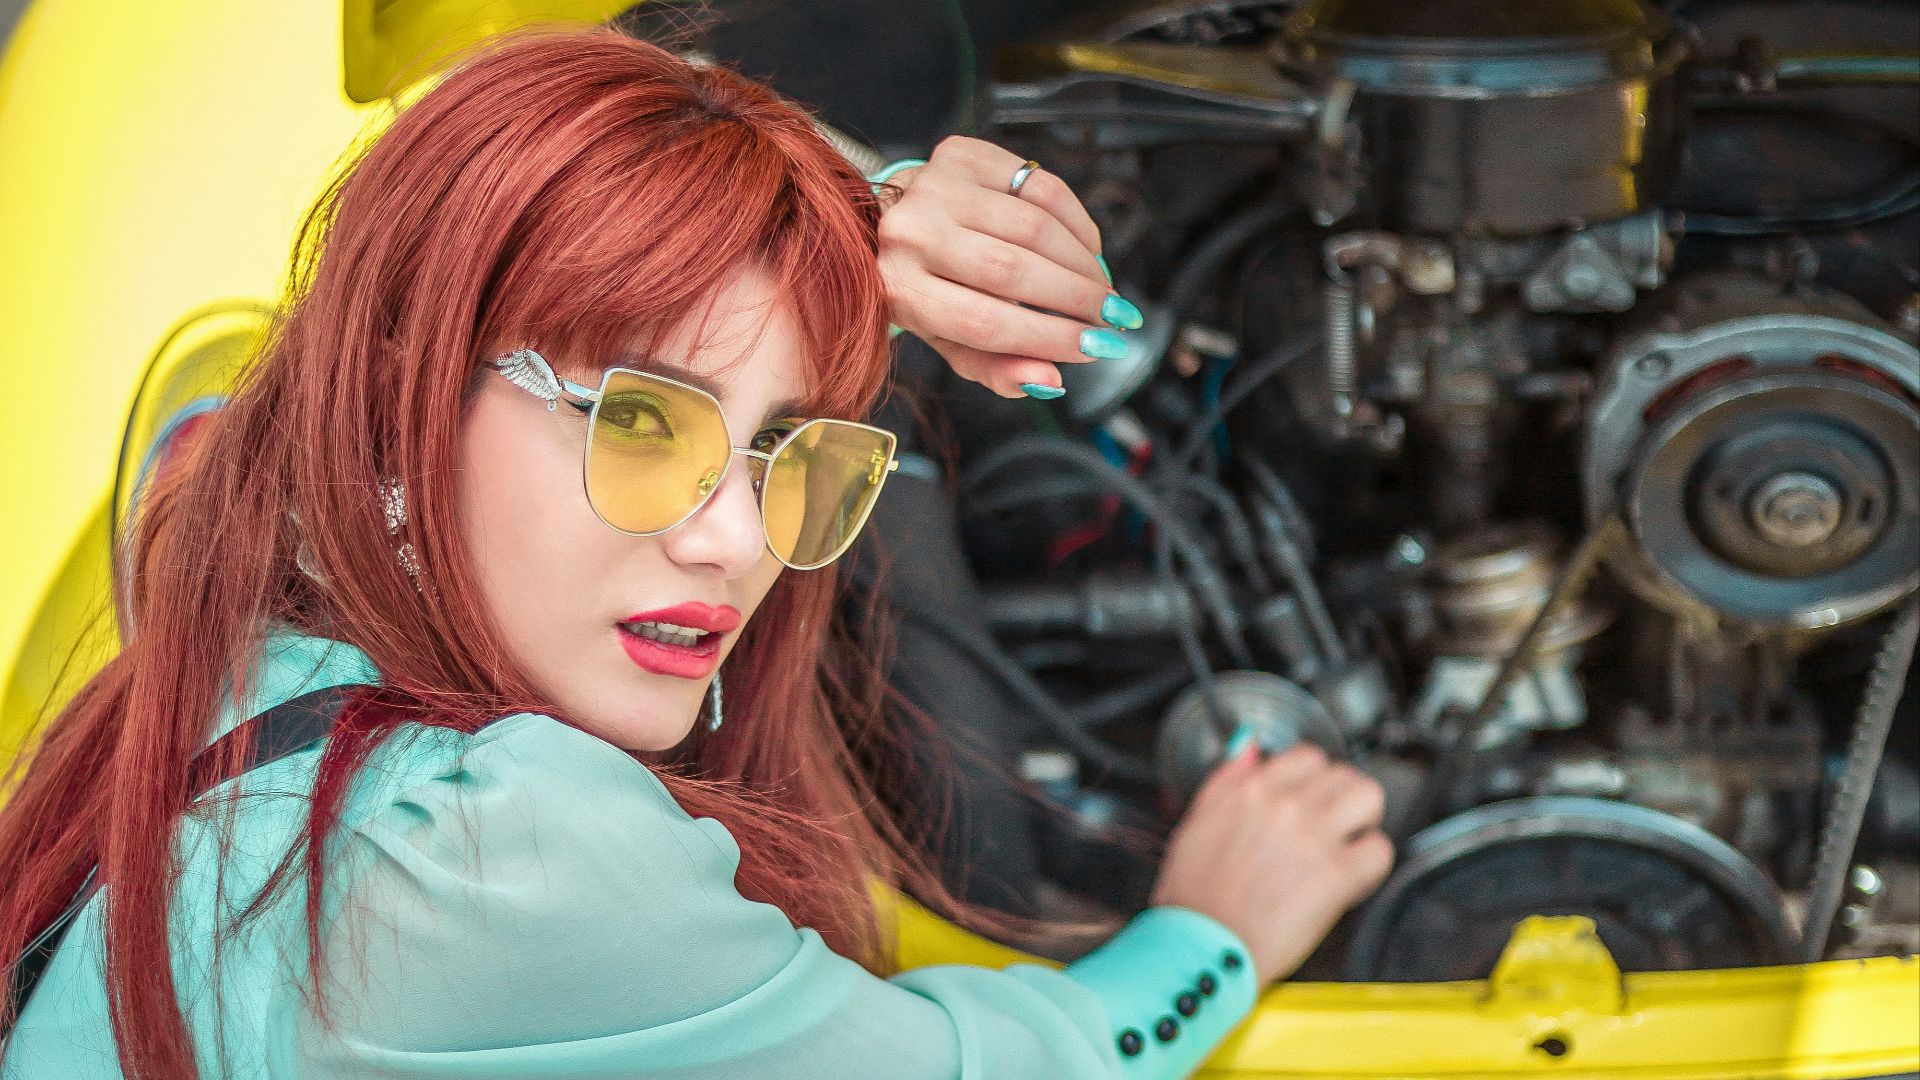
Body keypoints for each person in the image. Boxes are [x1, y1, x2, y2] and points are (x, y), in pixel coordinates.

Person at [0, 27, 1391, 1080]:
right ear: (396, 403)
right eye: (641, 424)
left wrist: (855, 213)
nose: (734, 540)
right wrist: (1211, 934)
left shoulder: (234, 577)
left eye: (796, 451)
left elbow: (410, 248)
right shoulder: (494, 854)